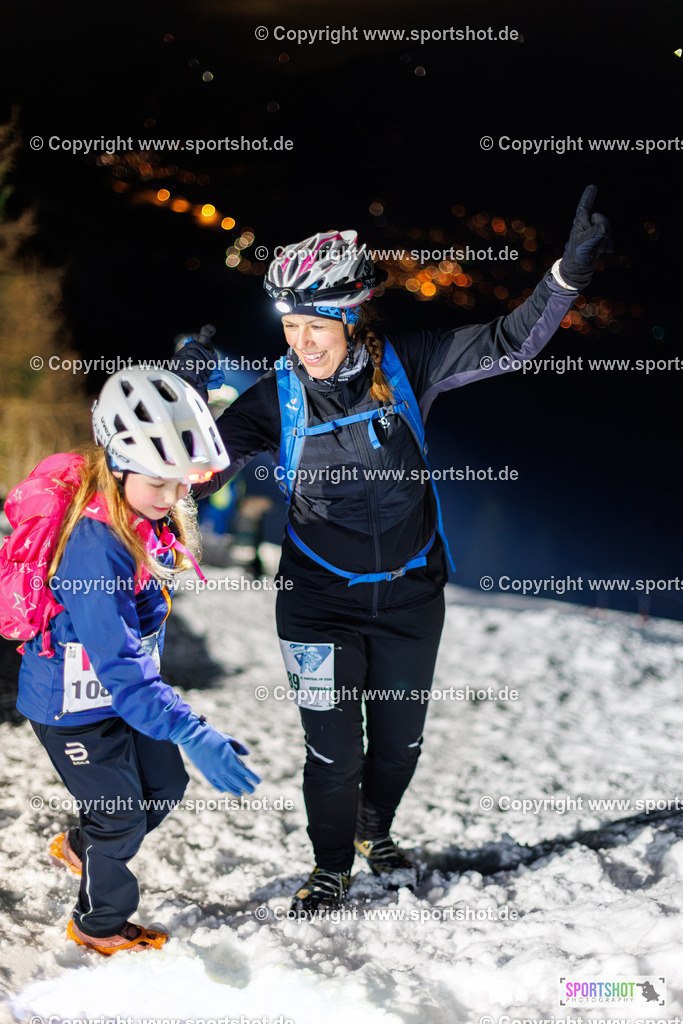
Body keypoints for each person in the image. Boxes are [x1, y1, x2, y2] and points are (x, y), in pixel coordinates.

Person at [174, 186, 612, 915]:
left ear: (352, 316)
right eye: (291, 327)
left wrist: (565, 276)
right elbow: (195, 470)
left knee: (398, 743)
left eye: (317, 325)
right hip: (316, 603)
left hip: (409, 597)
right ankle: (328, 868)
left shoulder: (412, 365)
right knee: (331, 750)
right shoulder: (276, 397)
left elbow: (509, 340)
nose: (302, 343)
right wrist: (180, 404)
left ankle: (376, 832)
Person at [12, 368, 261, 953]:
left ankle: (81, 846)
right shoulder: (95, 551)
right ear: (119, 465)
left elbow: (176, 472)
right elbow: (121, 669)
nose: (176, 498)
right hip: (72, 707)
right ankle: (97, 926)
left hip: (121, 697)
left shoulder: (138, 505)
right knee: (121, 816)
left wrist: (190, 379)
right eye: (161, 484)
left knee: (164, 784)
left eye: (182, 484)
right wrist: (193, 730)